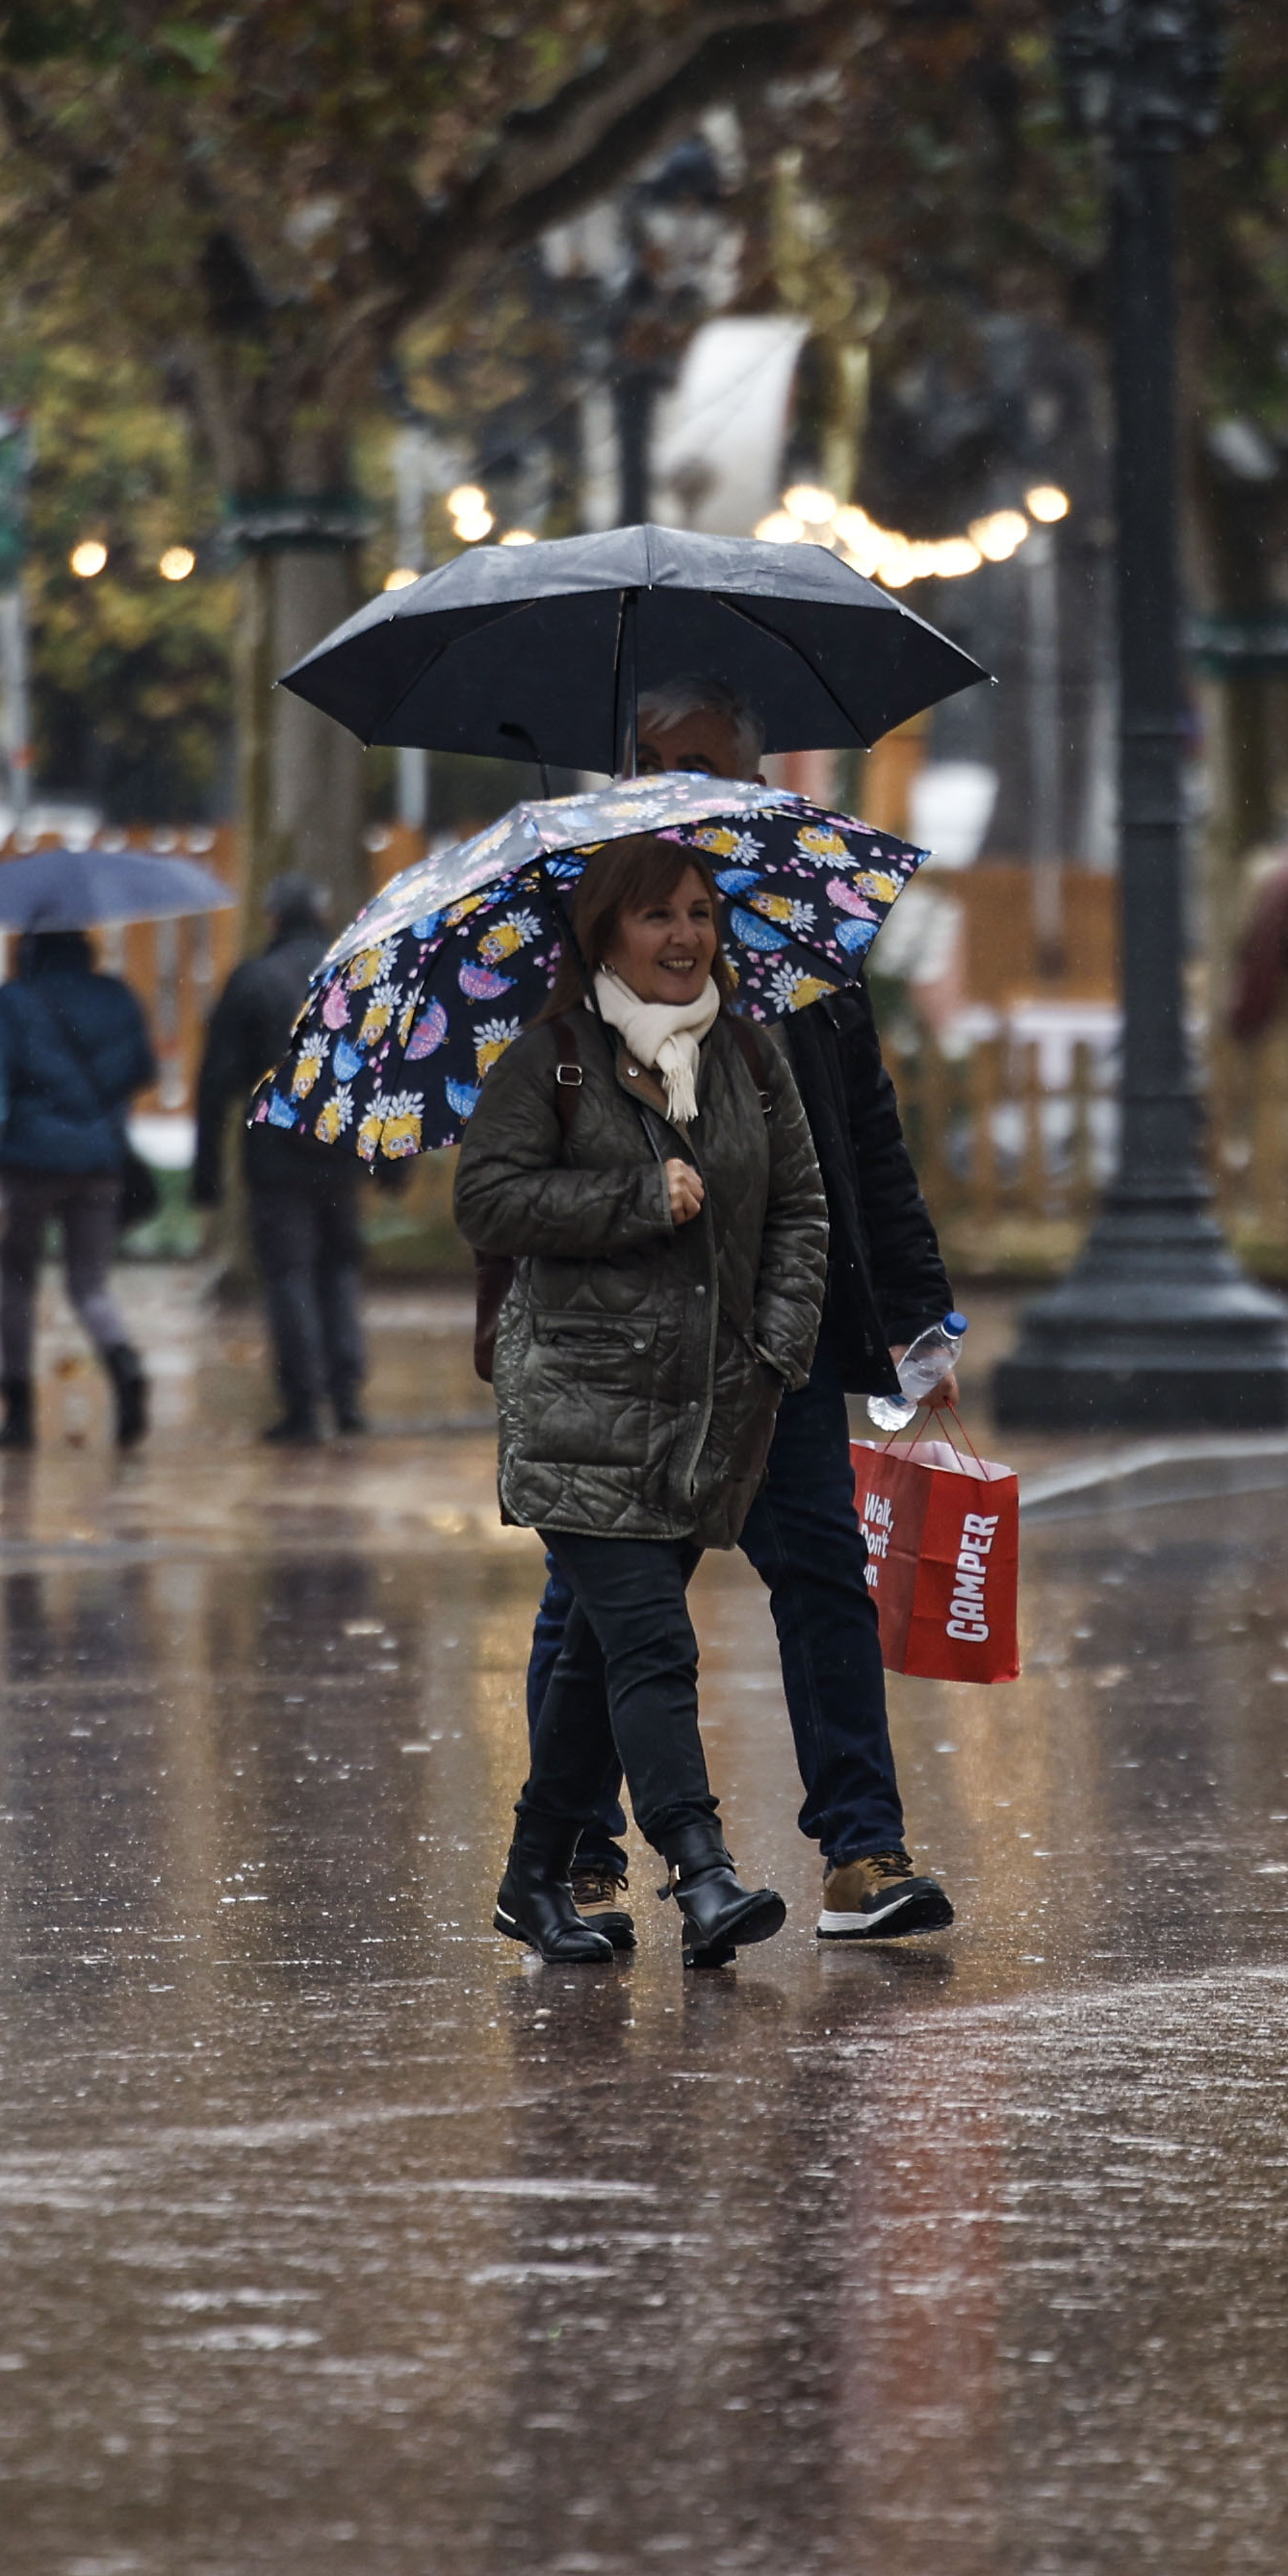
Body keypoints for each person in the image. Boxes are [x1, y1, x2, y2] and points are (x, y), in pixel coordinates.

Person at [543, 679, 963, 1943]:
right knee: (604, 1607)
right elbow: (525, 1161)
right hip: (631, 1343)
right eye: (656, 762)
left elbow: (867, 1139)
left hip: (784, 1330)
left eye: (707, 765)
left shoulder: (803, 945)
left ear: (755, 783)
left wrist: (919, 1315)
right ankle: (575, 1856)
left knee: (825, 1574)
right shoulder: (576, 940)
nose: (681, 786)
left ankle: (863, 1849)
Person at [461, 834, 827, 1970]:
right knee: (655, 1641)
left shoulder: (750, 1058)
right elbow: (487, 1201)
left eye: (701, 913)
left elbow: (801, 1209)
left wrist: (774, 1350)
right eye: (657, 915)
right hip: (580, 1409)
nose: (685, 937)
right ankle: (701, 1870)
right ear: (605, 933)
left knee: (594, 1663)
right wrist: (633, 1195)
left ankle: (532, 1877)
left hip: (707, 1417)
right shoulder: (555, 1061)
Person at [193, 875, 374, 1442]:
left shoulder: (253, 981)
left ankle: (303, 1404)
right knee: (338, 1268)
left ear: (273, 918)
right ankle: (346, 1395)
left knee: (289, 1274)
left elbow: (216, 1081)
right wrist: (393, 1160)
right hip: (341, 1150)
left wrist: (206, 1172)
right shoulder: (355, 976)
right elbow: (386, 1069)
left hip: (276, 1155)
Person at [0, 924, 157, 1452]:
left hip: (26, 1162)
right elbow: (143, 1068)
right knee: (89, 1285)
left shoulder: (12, 1001)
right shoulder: (117, 996)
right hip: (99, 1160)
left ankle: (18, 1413)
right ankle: (123, 1363)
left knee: (17, 1282)